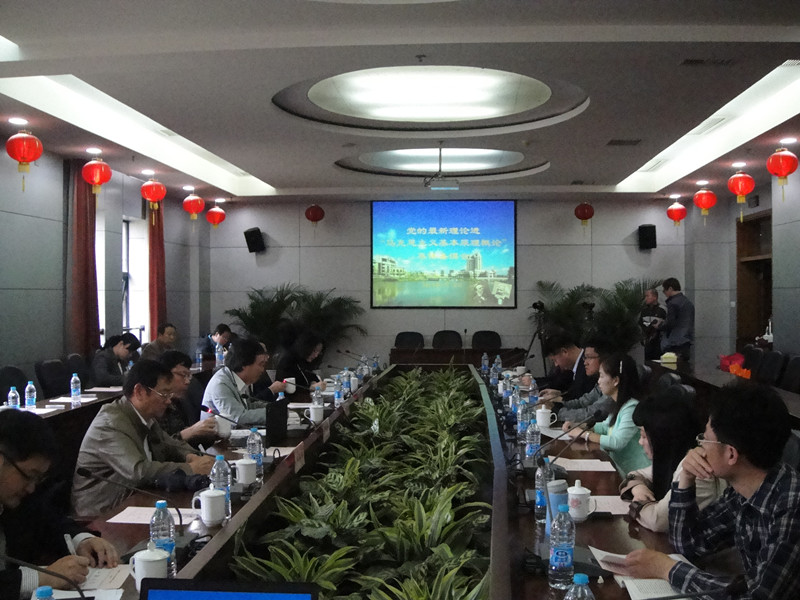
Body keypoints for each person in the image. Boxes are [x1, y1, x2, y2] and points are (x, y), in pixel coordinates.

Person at [624, 382, 800, 599]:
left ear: (731, 454)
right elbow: (689, 544)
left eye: (705, 438)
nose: (700, 446)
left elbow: (758, 596)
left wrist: (667, 569)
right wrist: (685, 478)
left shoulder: (792, 506)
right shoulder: (742, 491)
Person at [71, 360, 215, 517]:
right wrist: (191, 468)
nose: (169, 401)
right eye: (164, 394)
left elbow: (171, 445)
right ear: (139, 391)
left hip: (134, 498)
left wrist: (191, 456)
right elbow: (138, 471)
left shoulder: (146, 417)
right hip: (102, 512)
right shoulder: (110, 424)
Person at [0, 410, 119, 599]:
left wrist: (82, 540)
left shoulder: (16, 497)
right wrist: (41, 577)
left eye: (38, 479)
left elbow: (49, 520)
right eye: (29, 476)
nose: (31, 488)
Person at [619, 390, 726, 532]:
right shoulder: (672, 459)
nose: (640, 442)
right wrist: (638, 489)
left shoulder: (698, 468)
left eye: (644, 436)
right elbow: (636, 474)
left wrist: (638, 503)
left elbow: (657, 520)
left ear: (661, 438)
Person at [565, 353, 650, 476]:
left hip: (635, 473)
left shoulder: (631, 408)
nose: (598, 381)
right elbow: (605, 427)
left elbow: (617, 442)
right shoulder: (618, 403)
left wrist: (584, 434)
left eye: (601, 376)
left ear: (615, 380)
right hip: (618, 468)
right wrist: (579, 425)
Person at [202, 337, 276, 426]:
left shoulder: (238, 379)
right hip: (217, 434)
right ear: (244, 364)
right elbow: (237, 418)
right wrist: (272, 413)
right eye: (261, 364)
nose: (262, 370)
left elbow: (248, 406)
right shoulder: (220, 384)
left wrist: (275, 408)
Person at [540, 341, 614, 423]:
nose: (585, 362)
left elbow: (590, 414)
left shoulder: (613, 385)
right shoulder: (600, 381)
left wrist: (556, 411)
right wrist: (557, 405)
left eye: (589, 357)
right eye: (585, 358)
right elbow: (583, 402)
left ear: (605, 358)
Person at [158, 351, 218, 446]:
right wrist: (190, 431)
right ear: (165, 375)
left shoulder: (181, 402)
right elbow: (160, 447)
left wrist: (213, 434)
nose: (187, 381)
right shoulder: (157, 405)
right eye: (183, 375)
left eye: (189, 376)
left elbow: (189, 441)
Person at [541, 332, 597, 402]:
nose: (556, 365)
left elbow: (583, 401)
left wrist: (561, 399)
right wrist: (559, 394)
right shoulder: (577, 366)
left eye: (555, 360)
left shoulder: (588, 367)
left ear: (564, 352)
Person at [658, 278, 695, 362]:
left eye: (664, 290)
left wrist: (660, 326)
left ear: (670, 288)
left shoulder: (673, 303)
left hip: (674, 342)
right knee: (684, 367)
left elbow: (670, 323)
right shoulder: (688, 302)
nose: (664, 293)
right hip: (686, 341)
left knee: (671, 366)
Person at [640, 288, 667, 361]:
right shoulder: (644, 311)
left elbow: (666, 325)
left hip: (659, 344)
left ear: (655, 297)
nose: (645, 299)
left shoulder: (662, 310)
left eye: (647, 296)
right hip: (647, 344)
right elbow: (641, 324)